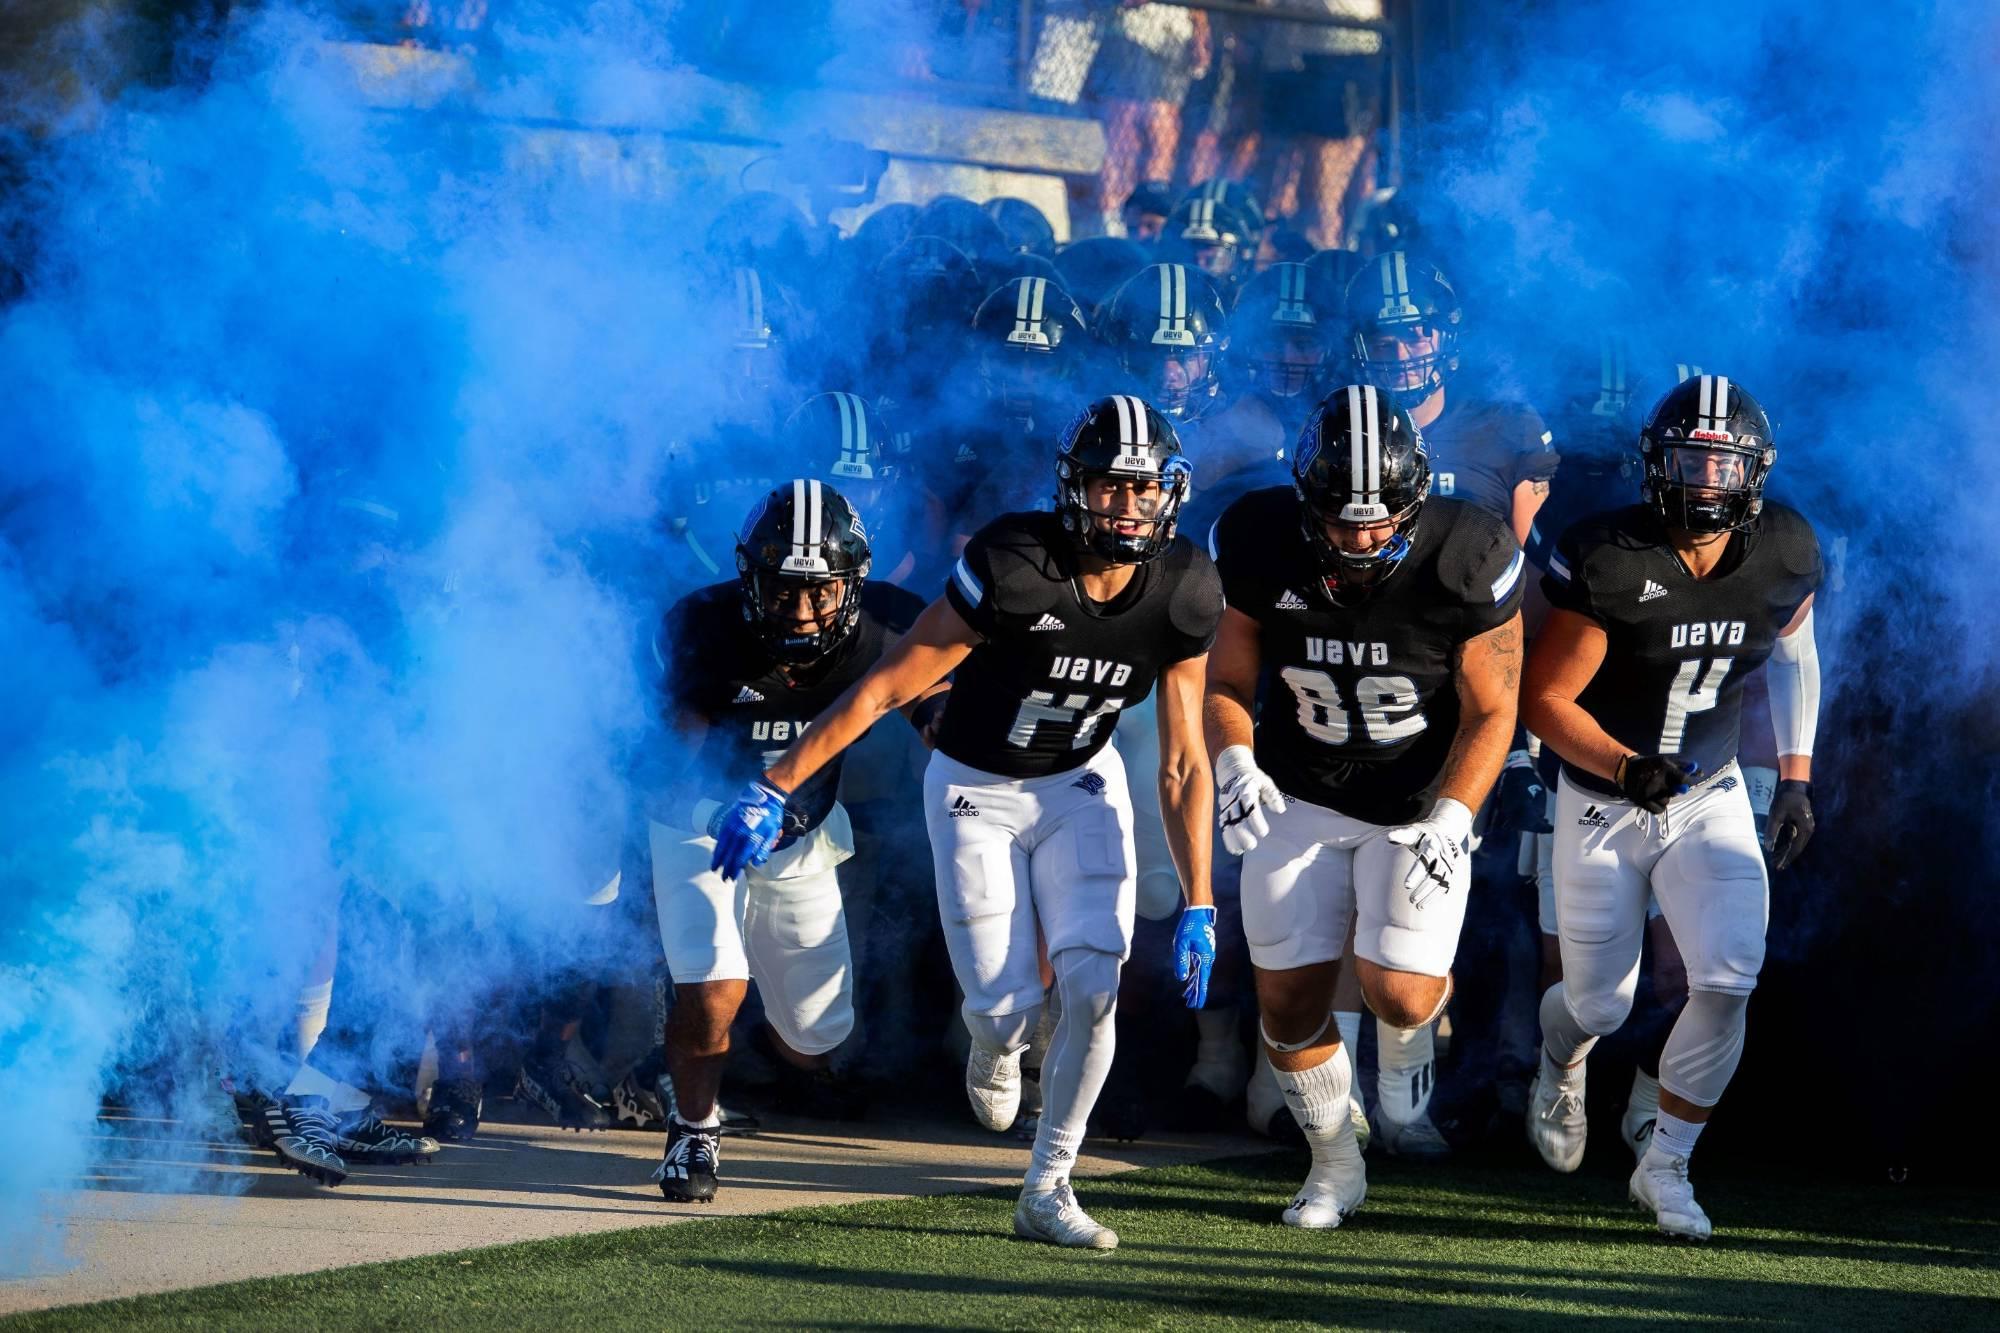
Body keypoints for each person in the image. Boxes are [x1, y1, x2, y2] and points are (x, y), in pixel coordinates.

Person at [707, 395, 1224, 1250]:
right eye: (1107, 486)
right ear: (1074, 488)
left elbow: (1181, 759)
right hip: (974, 788)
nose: (1125, 506)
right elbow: (889, 684)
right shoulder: (1017, 562)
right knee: (1001, 1009)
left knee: (1095, 989)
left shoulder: (1187, 587)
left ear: (1169, 492)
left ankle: (1048, 1184)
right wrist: (775, 783)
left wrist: (1201, 895)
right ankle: (997, 1039)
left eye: (1141, 488)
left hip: (1079, 781)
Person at [1205, 383, 1524, 1226]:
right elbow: (1229, 680)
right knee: (1287, 1003)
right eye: (1343, 519)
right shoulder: (1256, 536)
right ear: (1307, 501)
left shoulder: (1471, 548)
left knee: (1402, 995)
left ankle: (1412, 1048)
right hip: (1297, 786)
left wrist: (1455, 816)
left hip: (1418, 797)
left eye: (1381, 518)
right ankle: (1334, 1164)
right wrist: (1235, 762)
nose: (1362, 536)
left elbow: (1495, 707)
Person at [1522, 375, 1821, 1240]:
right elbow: (1547, 701)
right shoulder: (1612, 556)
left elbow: (1797, 653)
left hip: (1708, 789)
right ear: (1655, 463)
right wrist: (1624, 765)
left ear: (1752, 473)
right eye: (1688, 460)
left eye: (1720, 464)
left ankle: (1667, 1167)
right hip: (1601, 798)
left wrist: (1796, 775)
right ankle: (1560, 1059)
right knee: (1601, 1003)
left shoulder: (1786, 549)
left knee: (1729, 975)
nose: (1702, 482)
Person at [646, 481, 932, 1205]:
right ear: (750, 578)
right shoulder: (704, 629)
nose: (802, 612)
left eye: (820, 592)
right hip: (701, 821)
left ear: (855, 582)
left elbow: (946, 719)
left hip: (804, 833)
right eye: (781, 591)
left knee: (816, 1037)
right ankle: (692, 1125)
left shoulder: (891, 626)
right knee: (713, 977)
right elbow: (656, 771)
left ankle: (706, 1053)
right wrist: (722, 814)